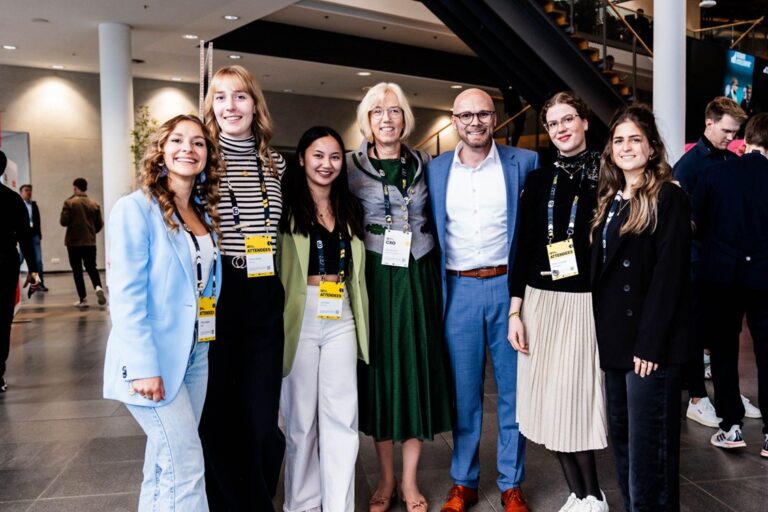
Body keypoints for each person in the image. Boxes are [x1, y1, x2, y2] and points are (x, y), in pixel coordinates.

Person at [103, 114, 224, 510]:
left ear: (207, 154)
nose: (188, 149)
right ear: (161, 150)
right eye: (178, 140)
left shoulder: (202, 213)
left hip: (194, 353)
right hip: (152, 358)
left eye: (198, 143)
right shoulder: (135, 209)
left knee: (162, 463)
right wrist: (143, 365)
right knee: (186, 465)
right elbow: (126, 295)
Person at [427, 88, 538, 512]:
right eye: (466, 115)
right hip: (457, 291)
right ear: (454, 120)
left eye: (483, 114)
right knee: (464, 395)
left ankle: (512, 483)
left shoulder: (524, 164)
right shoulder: (435, 170)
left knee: (513, 393)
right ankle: (464, 482)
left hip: (509, 290)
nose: (475, 122)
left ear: (496, 119)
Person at [347, 81, 453, 512]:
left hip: (419, 274)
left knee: (415, 372)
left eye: (394, 111)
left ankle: (410, 481)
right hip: (375, 277)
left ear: (405, 118)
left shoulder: (426, 163)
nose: (386, 118)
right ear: (366, 120)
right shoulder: (350, 166)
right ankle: (386, 479)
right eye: (377, 112)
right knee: (382, 376)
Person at [508, 92, 607, 512]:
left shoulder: (609, 173)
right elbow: (524, 246)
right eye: (553, 123)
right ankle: (579, 493)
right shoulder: (538, 178)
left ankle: (593, 494)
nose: (562, 128)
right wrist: (515, 309)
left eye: (569, 119)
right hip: (539, 301)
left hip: (583, 302)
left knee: (576, 401)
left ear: (584, 122)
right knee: (547, 403)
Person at [590, 105, 690, 511]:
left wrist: (648, 346)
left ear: (651, 148)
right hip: (616, 345)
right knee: (626, 445)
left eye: (635, 139)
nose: (626, 147)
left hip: (651, 349)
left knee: (652, 456)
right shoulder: (611, 199)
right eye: (619, 140)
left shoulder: (669, 197)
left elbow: (669, 279)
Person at [199, 64, 287, 511]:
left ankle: (253, 493)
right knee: (218, 414)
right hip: (220, 291)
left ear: (255, 104)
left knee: (261, 418)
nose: (230, 106)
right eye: (220, 97)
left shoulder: (275, 161)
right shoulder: (202, 158)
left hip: (265, 288)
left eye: (239, 96)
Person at [279, 126, 370, 511]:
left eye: (335, 157)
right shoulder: (284, 207)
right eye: (318, 155)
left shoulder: (351, 208)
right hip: (301, 314)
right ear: (301, 159)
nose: (327, 164)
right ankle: (301, 504)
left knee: (342, 418)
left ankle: (339, 505)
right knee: (300, 420)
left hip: (342, 314)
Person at [672, 98, 755, 427]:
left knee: (725, 335)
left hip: (724, 264)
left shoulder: (729, 159)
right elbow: (682, 221)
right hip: (696, 264)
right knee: (694, 333)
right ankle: (697, 397)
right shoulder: (688, 166)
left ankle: (729, 397)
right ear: (709, 123)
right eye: (726, 131)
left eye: (735, 133)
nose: (730, 137)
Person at [693, 113, 768, 457]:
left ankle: (731, 427)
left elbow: (699, 220)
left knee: (724, 350)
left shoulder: (715, 172)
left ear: (747, 139)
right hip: (764, 276)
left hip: (721, 275)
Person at [0, 150, 39, 393]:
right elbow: (26, 238)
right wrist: (33, 271)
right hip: (5, 263)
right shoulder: (12, 199)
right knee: (3, 320)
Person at [60, 177, 106, 307]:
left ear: (75, 188)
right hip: (90, 242)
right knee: (92, 267)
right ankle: (98, 287)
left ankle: (83, 299)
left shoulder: (69, 203)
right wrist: (91, 233)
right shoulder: (94, 204)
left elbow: (64, 222)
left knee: (77, 270)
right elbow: (99, 224)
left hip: (73, 243)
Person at [19, 184, 48, 291]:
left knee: (38, 261)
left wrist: (39, 234)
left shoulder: (34, 205)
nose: (29, 192)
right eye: (26, 190)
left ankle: (38, 283)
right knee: (20, 259)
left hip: (34, 235)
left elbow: (38, 220)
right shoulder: (18, 205)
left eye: (30, 190)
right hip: (23, 236)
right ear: (21, 192)